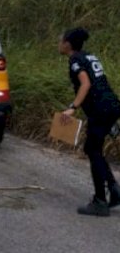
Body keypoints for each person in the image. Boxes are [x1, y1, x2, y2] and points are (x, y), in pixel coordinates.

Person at [60, 27, 120, 216]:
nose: (59, 43)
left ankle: (100, 202)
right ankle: (114, 189)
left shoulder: (75, 60)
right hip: (111, 105)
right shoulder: (88, 56)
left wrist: (73, 107)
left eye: (60, 40)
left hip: (101, 110)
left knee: (92, 150)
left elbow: (86, 83)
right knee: (93, 149)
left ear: (67, 44)